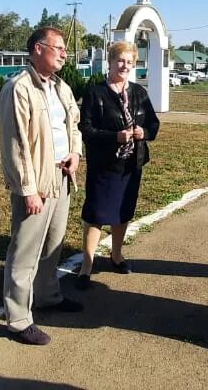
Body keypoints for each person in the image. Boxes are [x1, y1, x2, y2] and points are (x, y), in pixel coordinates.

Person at [0, 26, 84, 346]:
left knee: (53, 243)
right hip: (35, 181)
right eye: (58, 47)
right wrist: (27, 189)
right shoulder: (19, 88)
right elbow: (15, 144)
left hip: (61, 175)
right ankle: (18, 319)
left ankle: (48, 295)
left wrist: (75, 152)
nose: (64, 53)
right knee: (24, 250)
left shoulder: (59, 87)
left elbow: (72, 124)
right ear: (38, 49)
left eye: (64, 49)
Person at [75, 41, 160, 289]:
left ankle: (116, 255)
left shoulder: (139, 93)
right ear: (110, 62)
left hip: (131, 165)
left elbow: (154, 125)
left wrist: (144, 132)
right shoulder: (96, 93)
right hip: (104, 166)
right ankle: (86, 266)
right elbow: (86, 129)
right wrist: (115, 137)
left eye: (130, 62)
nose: (124, 66)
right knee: (96, 214)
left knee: (123, 212)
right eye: (120, 60)